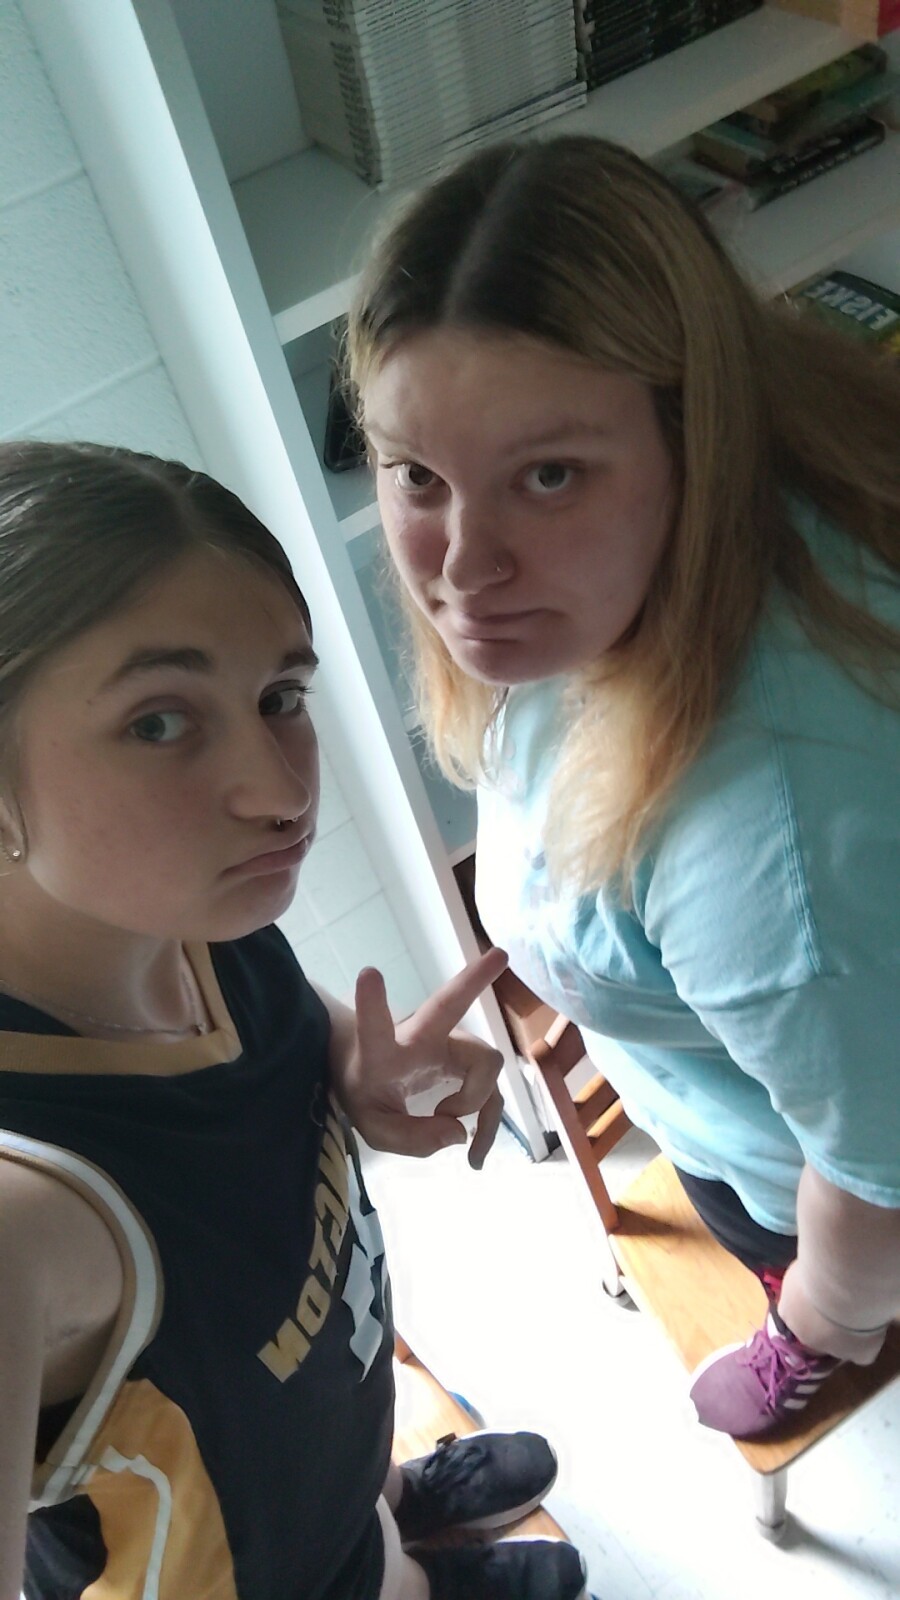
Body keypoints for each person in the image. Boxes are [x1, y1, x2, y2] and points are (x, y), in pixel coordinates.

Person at [346, 134, 900, 1441]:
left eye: (549, 475)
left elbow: (881, 1180)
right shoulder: (766, 481)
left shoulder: (771, 856)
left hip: (797, 1187)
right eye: (417, 474)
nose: (461, 569)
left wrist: (817, 1322)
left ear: (697, 437)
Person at [0, 441, 593, 1600]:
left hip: (317, 1445)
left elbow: (255, 1046)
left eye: (280, 696)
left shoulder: (182, 915)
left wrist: (354, 1067)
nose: (282, 793)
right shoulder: (25, 1206)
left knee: (346, 1477)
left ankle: (390, 1501)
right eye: (159, 722)